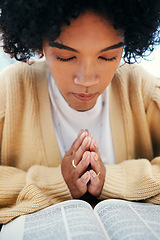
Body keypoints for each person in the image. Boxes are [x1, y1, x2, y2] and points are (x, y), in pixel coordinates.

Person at [0, 0, 160, 225]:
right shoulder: (9, 91)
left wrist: (112, 181)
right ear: (39, 44)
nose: (86, 80)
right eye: (65, 57)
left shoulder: (141, 89)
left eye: (107, 57)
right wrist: (56, 182)